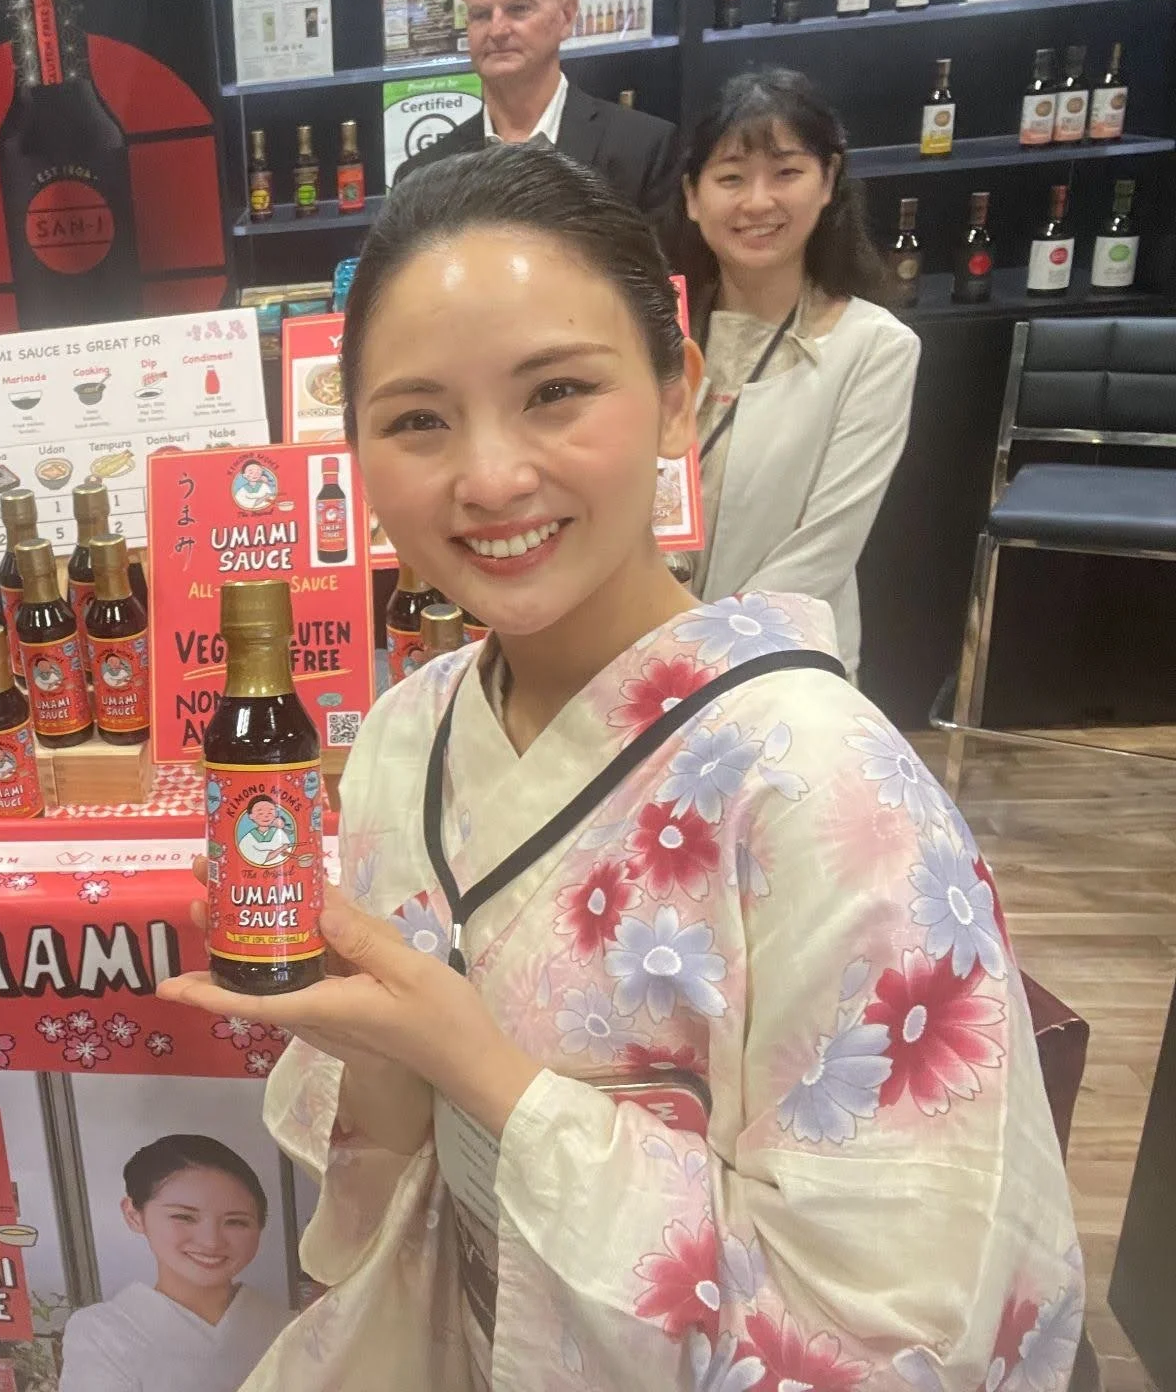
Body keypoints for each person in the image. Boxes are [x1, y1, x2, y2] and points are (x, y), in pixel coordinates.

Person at [158, 145, 1081, 1389]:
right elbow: (388, 1166)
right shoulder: (403, 730)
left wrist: (480, 1069)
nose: (488, 478)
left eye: (555, 393)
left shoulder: (823, 782)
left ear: (675, 394)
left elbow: (902, 1329)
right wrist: (379, 1057)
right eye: (417, 418)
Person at [674, 67, 919, 675]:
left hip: (777, 665)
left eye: (786, 172)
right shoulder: (657, 332)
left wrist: (701, 651)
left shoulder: (874, 347)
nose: (758, 202)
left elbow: (823, 552)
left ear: (828, 179)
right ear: (692, 196)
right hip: (640, 653)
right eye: (731, 177)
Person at [393, 0, 677, 222]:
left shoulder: (642, 149)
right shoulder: (421, 176)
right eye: (481, 14)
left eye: (519, 9)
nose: (497, 29)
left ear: (566, 18)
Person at [60, 1134, 292, 1392]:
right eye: (184, 1217)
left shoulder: (292, 1327)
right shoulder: (103, 1334)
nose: (211, 1242)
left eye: (236, 1222)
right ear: (134, 1215)